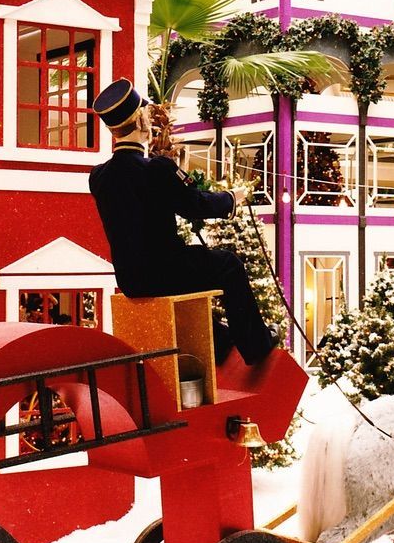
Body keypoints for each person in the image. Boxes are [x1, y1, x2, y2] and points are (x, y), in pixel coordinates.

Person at [88, 78, 278, 367]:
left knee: (196, 273)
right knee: (228, 265)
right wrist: (231, 198)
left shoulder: (99, 176)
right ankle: (256, 346)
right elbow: (195, 205)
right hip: (165, 272)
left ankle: (222, 342)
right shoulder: (156, 169)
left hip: (131, 281)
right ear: (140, 119)